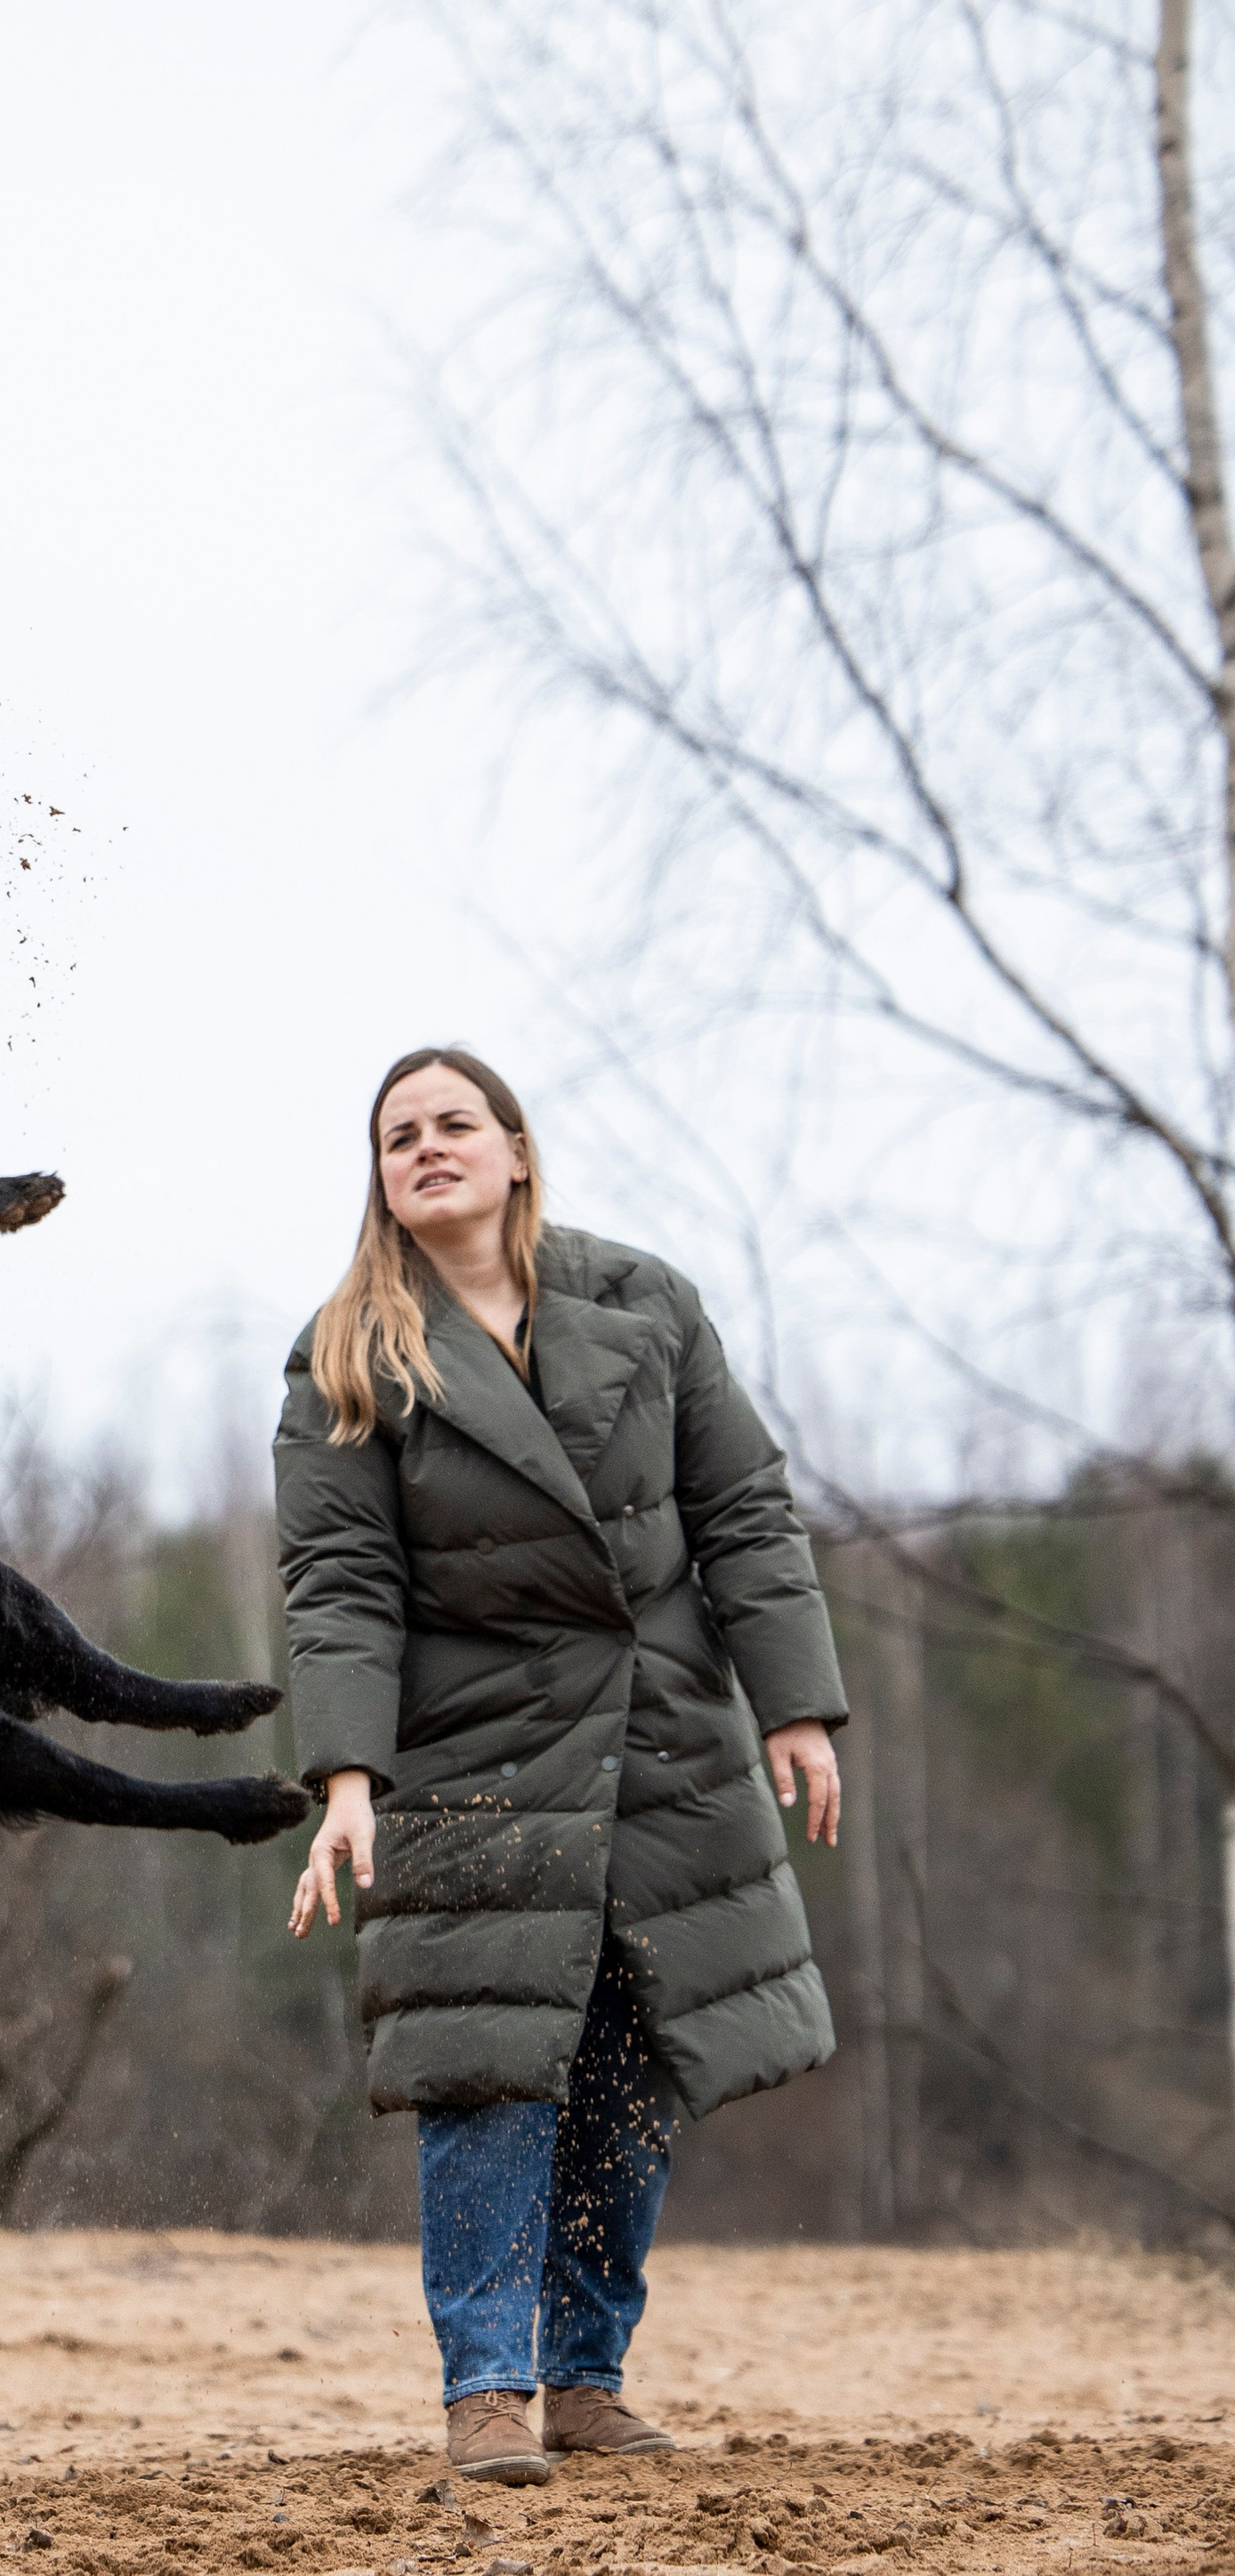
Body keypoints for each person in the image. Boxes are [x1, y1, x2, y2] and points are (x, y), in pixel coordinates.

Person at [272, 1049, 844, 2484]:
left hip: (661, 1736)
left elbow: (745, 1513)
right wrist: (348, 1779)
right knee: (491, 2063)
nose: (426, 1147)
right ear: (384, 1180)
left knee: (632, 2060)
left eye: (454, 1123)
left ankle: (589, 2376)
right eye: (398, 1136)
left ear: (517, 1151)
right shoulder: (349, 1349)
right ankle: (487, 2389)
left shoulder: (645, 1303)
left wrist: (796, 1706)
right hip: (475, 1756)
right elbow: (338, 1582)